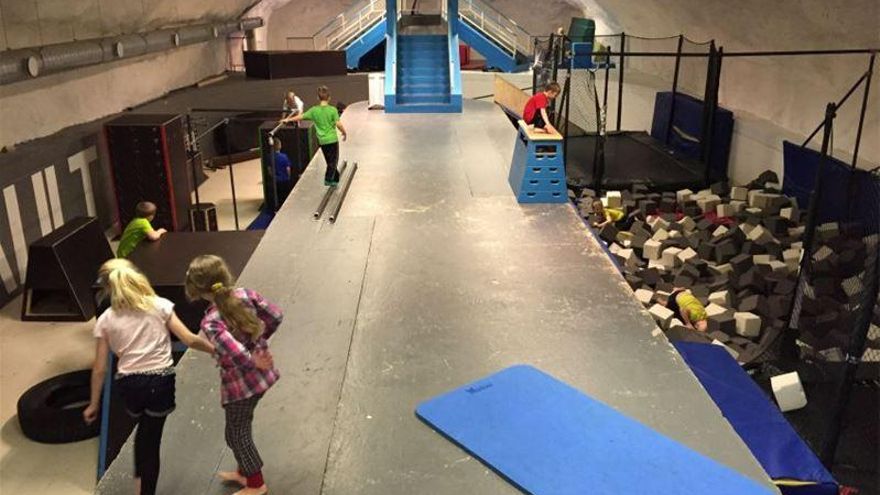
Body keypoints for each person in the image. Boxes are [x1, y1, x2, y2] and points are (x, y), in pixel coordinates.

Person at [83, 259, 215, 495]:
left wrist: (93, 403)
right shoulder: (160, 305)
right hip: (159, 382)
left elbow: (99, 368)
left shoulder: (106, 318)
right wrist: (218, 350)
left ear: (108, 288)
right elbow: (189, 339)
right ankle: (146, 491)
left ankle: (139, 484)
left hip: (129, 385)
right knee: (150, 441)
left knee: (143, 433)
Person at [185, 255, 283, 495]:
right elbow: (275, 315)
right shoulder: (246, 295)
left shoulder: (211, 321)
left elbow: (234, 352)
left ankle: (256, 484)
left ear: (198, 290)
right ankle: (244, 471)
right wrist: (259, 341)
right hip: (261, 376)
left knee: (237, 434)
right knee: (238, 428)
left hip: (242, 386)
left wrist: (251, 360)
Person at [287, 85, 348, 186]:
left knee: (329, 161)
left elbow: (300, 116)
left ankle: (335, 179)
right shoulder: (332, 110)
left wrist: (288, 119)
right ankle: (328, 179)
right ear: (329, 97)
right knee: (334, 161)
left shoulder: (314, 110)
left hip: (322, 142)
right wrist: (344, 132)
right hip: (332, 140)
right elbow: (338, 124)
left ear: (317, 98)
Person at [272, 138, 293, 204]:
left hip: (276, 180)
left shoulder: (270, 157)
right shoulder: (284, 157)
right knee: (285, 195)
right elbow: (288, 169)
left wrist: (273, 177)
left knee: (278, 195)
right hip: (285, 179)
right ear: (280, 146)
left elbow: (269, 170)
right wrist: (289, 176)